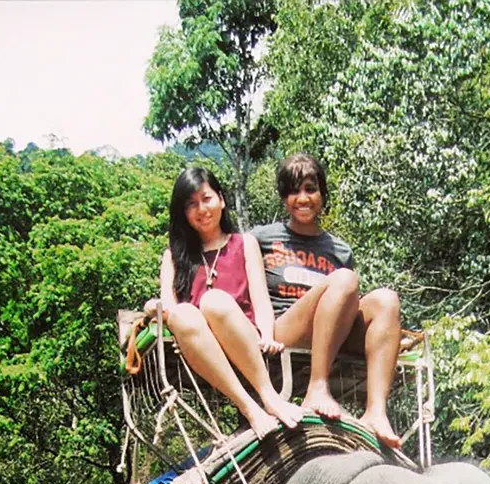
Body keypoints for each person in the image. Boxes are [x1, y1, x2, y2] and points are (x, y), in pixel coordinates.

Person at [253, 153, 402, 447]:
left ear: (322, 194)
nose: (303, 198)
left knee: (387, 299)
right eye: (294, 191)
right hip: (285, 330)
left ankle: (375, 412)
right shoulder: (262, 238)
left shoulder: (339, 249)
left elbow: (348, 302)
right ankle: (317, 387)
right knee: (345, 279)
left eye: (310, 189)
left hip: (332, 334)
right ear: (284, 198)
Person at [157, 166, 302, 441]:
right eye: (191, 204)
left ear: (221, 200)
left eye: (206, 198)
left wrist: (268, 335)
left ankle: (268, 396)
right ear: (183, 213)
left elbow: (260, 298)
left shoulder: (244, 243)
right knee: (184, 313)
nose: (201, 209)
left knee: (213, 301)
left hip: (243, 338)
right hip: (202, 345)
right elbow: (168, 304)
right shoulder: (174, 257)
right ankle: (249, 408)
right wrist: (156, 310)